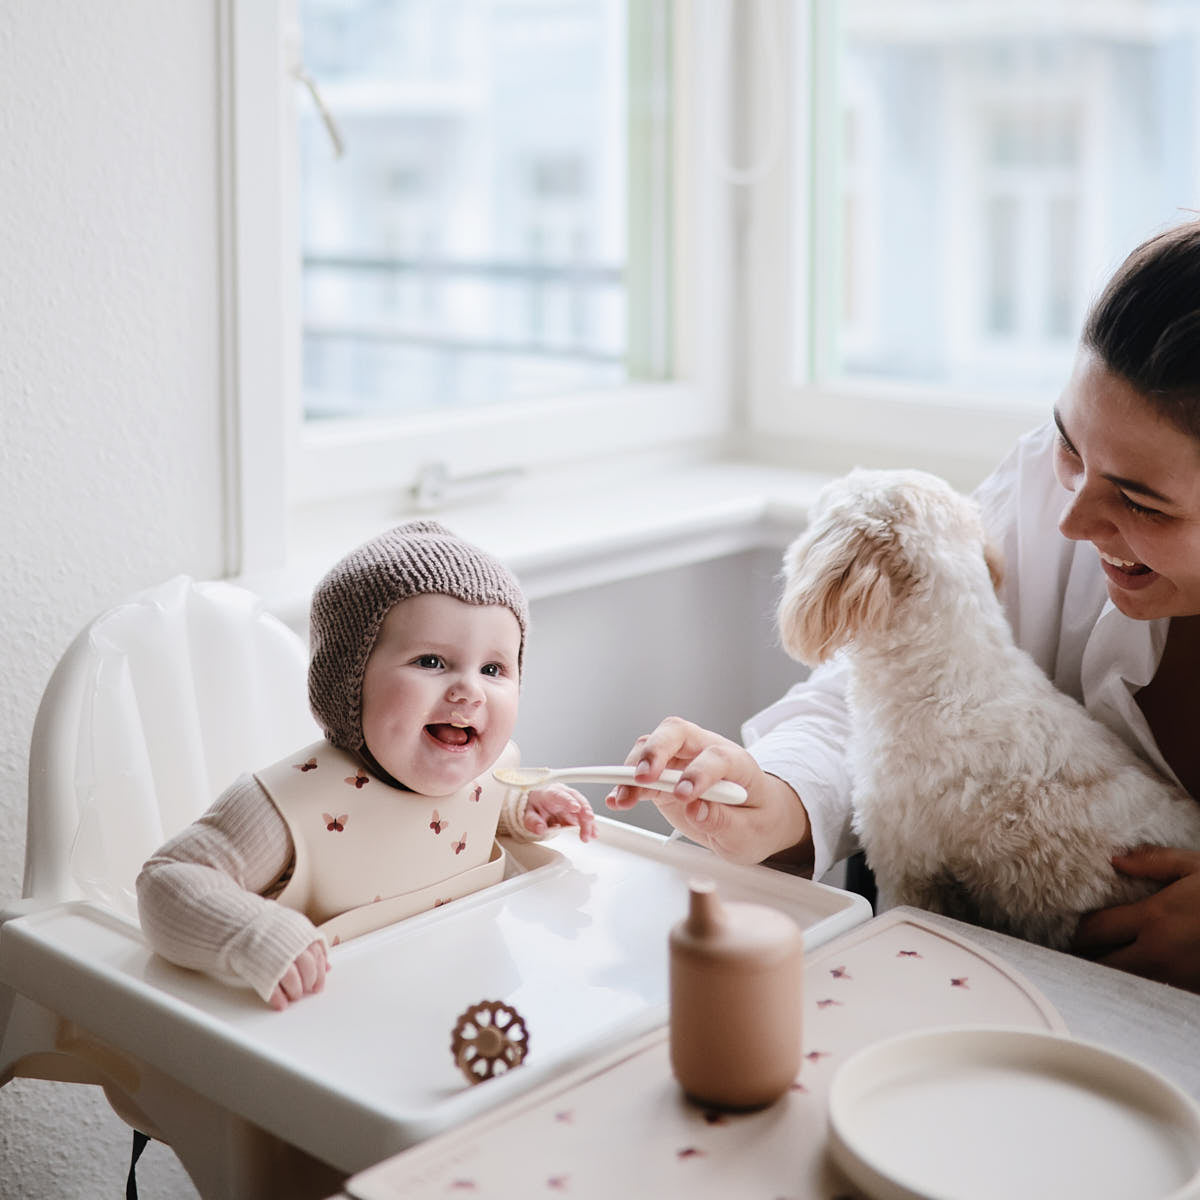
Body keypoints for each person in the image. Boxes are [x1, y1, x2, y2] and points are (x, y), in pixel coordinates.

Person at [607, 219, 1200, 995]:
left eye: (1139, 503)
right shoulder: (1045, 483)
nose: (1071, 521)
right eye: (1069, 445)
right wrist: (772, 797)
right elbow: (894, 690)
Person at [138, 521, 595, 1010]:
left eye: (492, 669)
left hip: (461, 1004)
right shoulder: (292, 807)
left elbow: (472, 811)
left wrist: (523, 810)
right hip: (331, 1033)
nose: (470, 690)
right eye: (431, 662)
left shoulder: (490, 770)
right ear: (349, 683)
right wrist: (251, 933)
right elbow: (167, 881)